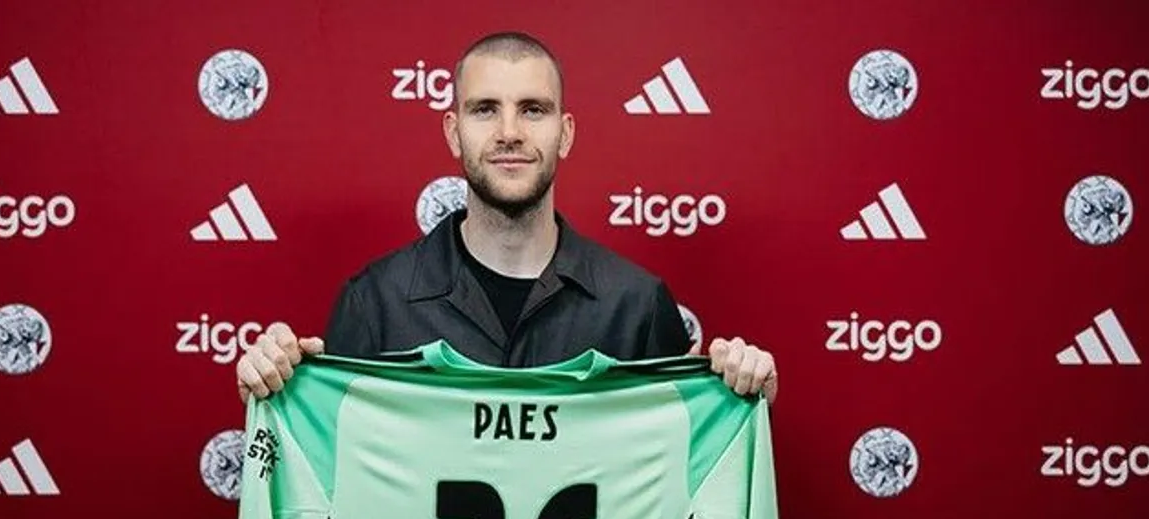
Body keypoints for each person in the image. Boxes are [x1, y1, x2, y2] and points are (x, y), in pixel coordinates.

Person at [235, 30, 778, 405]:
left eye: (533, 109)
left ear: (565, 133)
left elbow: (681, 500)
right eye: (485, 109)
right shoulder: (374, 303)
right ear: (454, 132)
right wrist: (276, 387)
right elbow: (332, 502)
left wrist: (744, 399)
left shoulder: (636, 306)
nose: (510, 133)